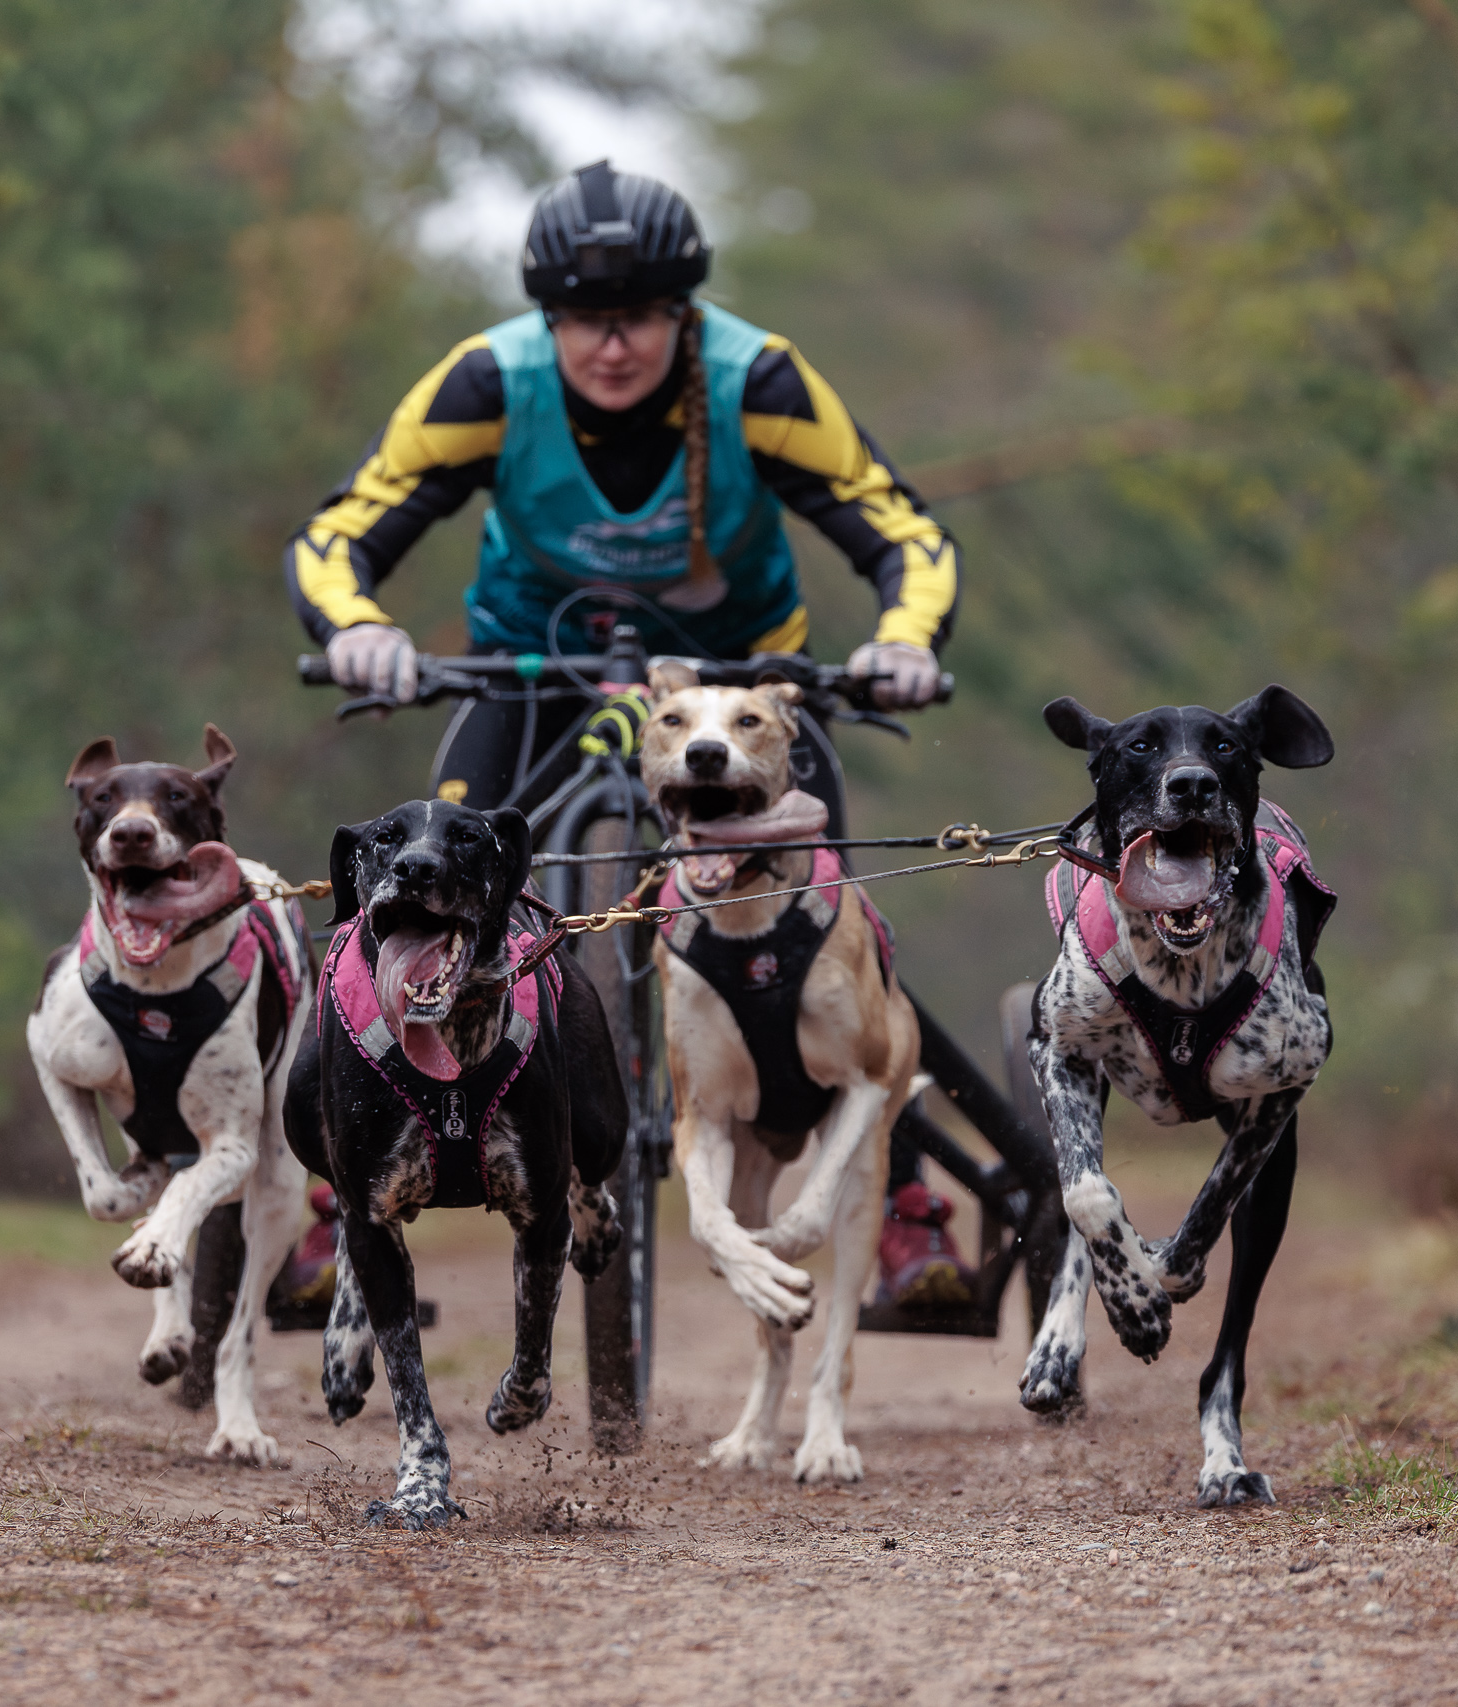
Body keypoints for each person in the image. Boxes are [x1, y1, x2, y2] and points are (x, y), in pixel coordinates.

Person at [283, 159, 968, 1307]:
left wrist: (901, 638)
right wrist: (356, 628)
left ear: (681, 312)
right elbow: (340, 531)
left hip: (740, 697)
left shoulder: (759, 380)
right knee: (418, 893)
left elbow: (902, 531)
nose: (612, 345)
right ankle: (331, 1202)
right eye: (585, 322)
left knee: (835, 929)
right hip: (529, 673)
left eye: (641, 317)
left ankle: (903, 1211)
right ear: (547, 318)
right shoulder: (485, 383)